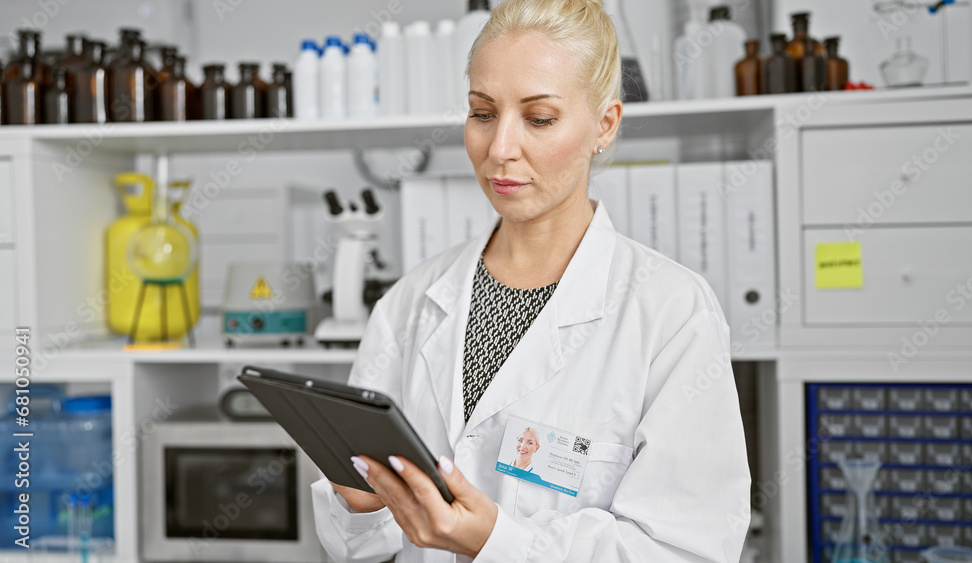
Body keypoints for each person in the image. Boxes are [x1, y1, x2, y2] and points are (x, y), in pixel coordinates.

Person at [311, 0, 751, 560]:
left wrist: (497, 544)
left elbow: (687, 550)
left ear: (605, 124)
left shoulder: (671, 312)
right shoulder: (409, 303)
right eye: (482, 113)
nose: (499, 149)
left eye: (539, 118)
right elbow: (357, 549)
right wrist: (360, 505)